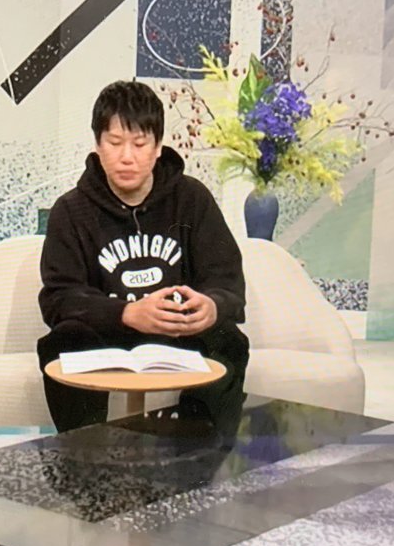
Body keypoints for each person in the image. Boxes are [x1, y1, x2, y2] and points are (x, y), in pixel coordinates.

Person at [37, 80, 249, 435]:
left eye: (139, 144)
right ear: (97, 145)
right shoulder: (71, 210)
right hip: (106, 334)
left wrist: (212, 306)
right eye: (115, 142)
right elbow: (59, 298)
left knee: (228, 340)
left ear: (158, 146)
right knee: (65, 339)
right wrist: (127, 313)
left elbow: (226, 281)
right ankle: (84, 459)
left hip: (177, 335)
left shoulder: (192, 200)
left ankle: (198, 457)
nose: (127, 157)